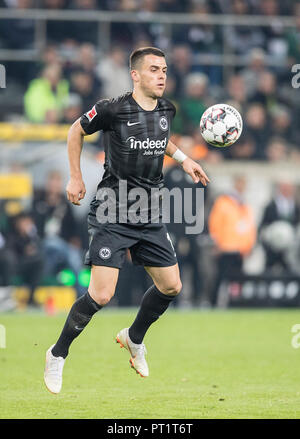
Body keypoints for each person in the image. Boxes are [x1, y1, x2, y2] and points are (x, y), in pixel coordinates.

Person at [44, 46, 210, 394]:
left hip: (149, 211)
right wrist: (75, 177)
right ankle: (57, 354)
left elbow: (160, 138)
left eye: (164, 69)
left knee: (171, 286)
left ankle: (133, 338)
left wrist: (183, 159)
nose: (162, 75)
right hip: (112, 210)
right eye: (153, 70)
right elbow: (76, 130)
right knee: (102, 295)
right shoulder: (112, 108)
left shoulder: (167, 108)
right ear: (135, 75)